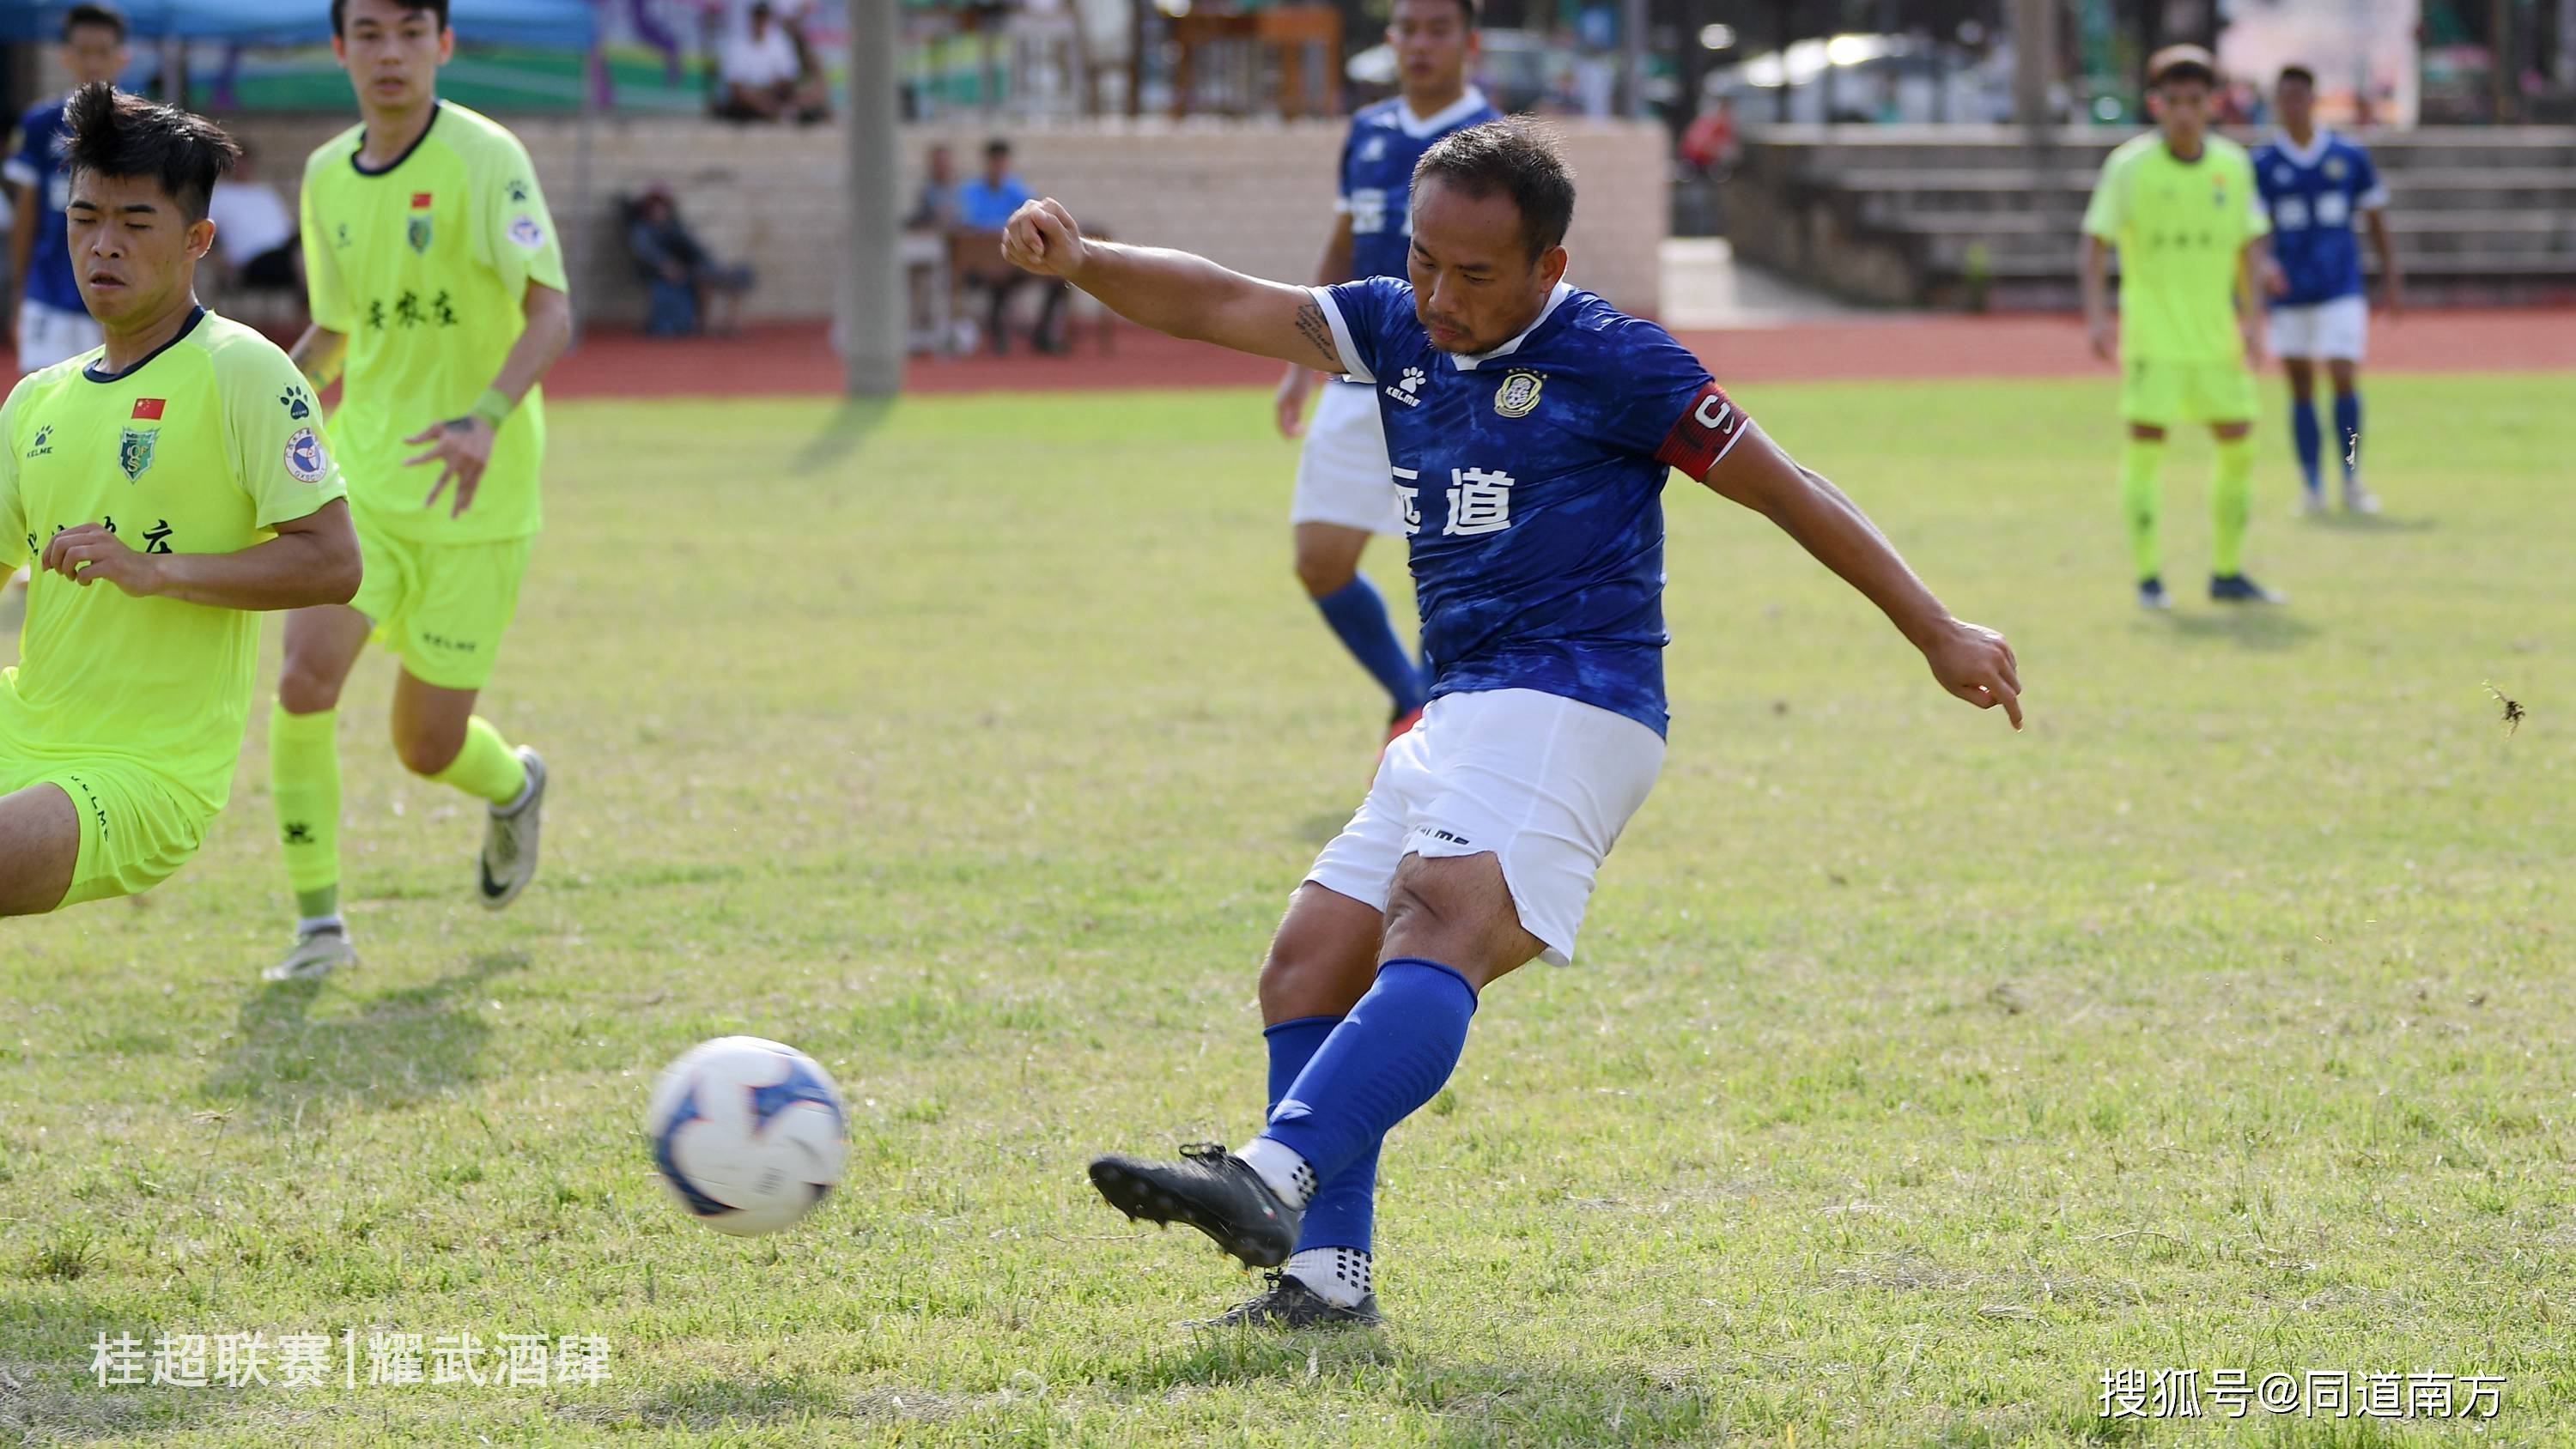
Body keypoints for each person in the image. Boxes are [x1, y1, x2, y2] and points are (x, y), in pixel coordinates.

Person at [999, 119, 2023, 1327]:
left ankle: (1271, 1174)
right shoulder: (1394, 326)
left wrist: (1936, 627)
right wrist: (1084, 262)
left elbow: (1788, 489)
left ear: (1551, 264)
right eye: (1426, 259)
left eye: (1475, 273)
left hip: (1577, 701)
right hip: (1463, 706)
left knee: (1441, 923)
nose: (1439, 292)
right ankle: (1326, 1285)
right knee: (1310, 956)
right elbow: (1225, 300)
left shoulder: (1620, 362)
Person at [265, 0, 574, 979]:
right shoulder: (324, 174)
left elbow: (552, 310)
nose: (388, 53)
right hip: (364, 484)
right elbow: (337, 329)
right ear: (339, 48)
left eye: (409, 32)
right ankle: (320, 927)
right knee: (303, 679)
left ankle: (514, 783)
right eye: (368, 33)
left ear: (442, 43)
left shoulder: (488, 159)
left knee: (425, 744)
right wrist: (264, 402)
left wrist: (483, 417)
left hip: (479, 499)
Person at [0, 83, 360, 916]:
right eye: (85, 219)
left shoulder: (245, 370)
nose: (103, 247)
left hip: (142, 773)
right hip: (23, 723)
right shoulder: (35, 401)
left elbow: (335, 561)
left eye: (134, 223)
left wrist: (157, 569)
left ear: (197, 238)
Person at [1274, 0, 1496, 748]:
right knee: (1319, 561)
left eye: (1439, 29)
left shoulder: (1497, 143)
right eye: (1408, 28)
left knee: (1452, 569)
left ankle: (1433, 725)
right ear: (1391, 39)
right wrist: (1297, 363)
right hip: (1356, 375)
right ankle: (1410, 698)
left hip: (1455, 385)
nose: (1421, 43)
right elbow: (1343, 248)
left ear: (1470, 42)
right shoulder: (1367, 133)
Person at [2080, 45, 2281, 610]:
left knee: (2239, 444)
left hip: (2216, 337)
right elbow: (2095, 242)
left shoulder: (2233, 166)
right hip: (2154, 338)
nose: (2186, 113)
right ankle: (2148, 577)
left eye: (2196, 101)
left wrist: (2254, 322)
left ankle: (2227, 572)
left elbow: (2248, 247)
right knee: (2147, 446)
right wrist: (2098, 317)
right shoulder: (2128, 166)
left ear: (2213, 104)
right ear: (2156, 104)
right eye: (2174, 102)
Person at [2251, 64, 2398, 515]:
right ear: (2276, 104)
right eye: (2285, 97)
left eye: (2300, 95)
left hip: (2340, 286)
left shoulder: (2348, 157)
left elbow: (2374, 219)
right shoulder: (2261, 165)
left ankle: (2351, 476)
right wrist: (2264, 266)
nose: (2293, 105)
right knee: (2299, 387)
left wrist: (2391, 275)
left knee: (2342, 375)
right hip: (2291, 290)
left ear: (2313, 100)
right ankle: (2311, 484)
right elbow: (2254, 232)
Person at [7, 4, 128, 379]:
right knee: (41, 400)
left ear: (121, 57)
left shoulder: (137, 126)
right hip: (49, 291)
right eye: (83, 51)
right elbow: (26, 214)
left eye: (102, 51)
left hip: (115, 290)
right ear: (65, 56)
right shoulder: (41, 122)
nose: (92, 62)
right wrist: (19, 294)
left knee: (110, 403)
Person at [956, 139, 1063, 355]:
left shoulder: (1016, 191)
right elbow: (964, 227)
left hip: (1011, 261)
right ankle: (999, 338)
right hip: (979, 264)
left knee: (1058, 279)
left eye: (1002, 162)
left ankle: (1042, 334)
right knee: (997, 277)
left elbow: (1032, 219)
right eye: (995, 162)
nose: (999, 167)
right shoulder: (969, 192)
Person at [627, 183, 754, 336]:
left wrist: (713, 265)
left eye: (663, 206)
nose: (659, 210)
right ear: (647, 209)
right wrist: (664, 265)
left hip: (688, 269)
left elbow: (696, 249)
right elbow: (645, 251)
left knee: (736, 275)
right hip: (662, 274)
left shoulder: (675, 227)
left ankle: (730, 325)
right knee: (703, 279)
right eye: (655, 206)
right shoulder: (642, 230)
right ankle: (705, 326)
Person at [205, 138, 302, 300]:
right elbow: (207, 232)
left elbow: (287, 229)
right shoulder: (219, 195)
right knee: (303, 260)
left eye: (245, 161)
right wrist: (223, 264)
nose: (242, 166)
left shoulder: (265, 193)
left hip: (284, 253)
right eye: (237, 161)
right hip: (251, 262)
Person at [714, 3, 817, 124]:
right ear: (751, 20)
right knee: (745, 95)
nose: (760, 22)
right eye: (758, 18)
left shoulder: (780, 42)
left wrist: (769, 89)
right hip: (748, 99)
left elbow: (788, 77)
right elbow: (735, 85)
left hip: (771, 93)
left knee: (807, 90)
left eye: (763, 18)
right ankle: (777, 113)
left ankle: (776, 112)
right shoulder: (737, 44)